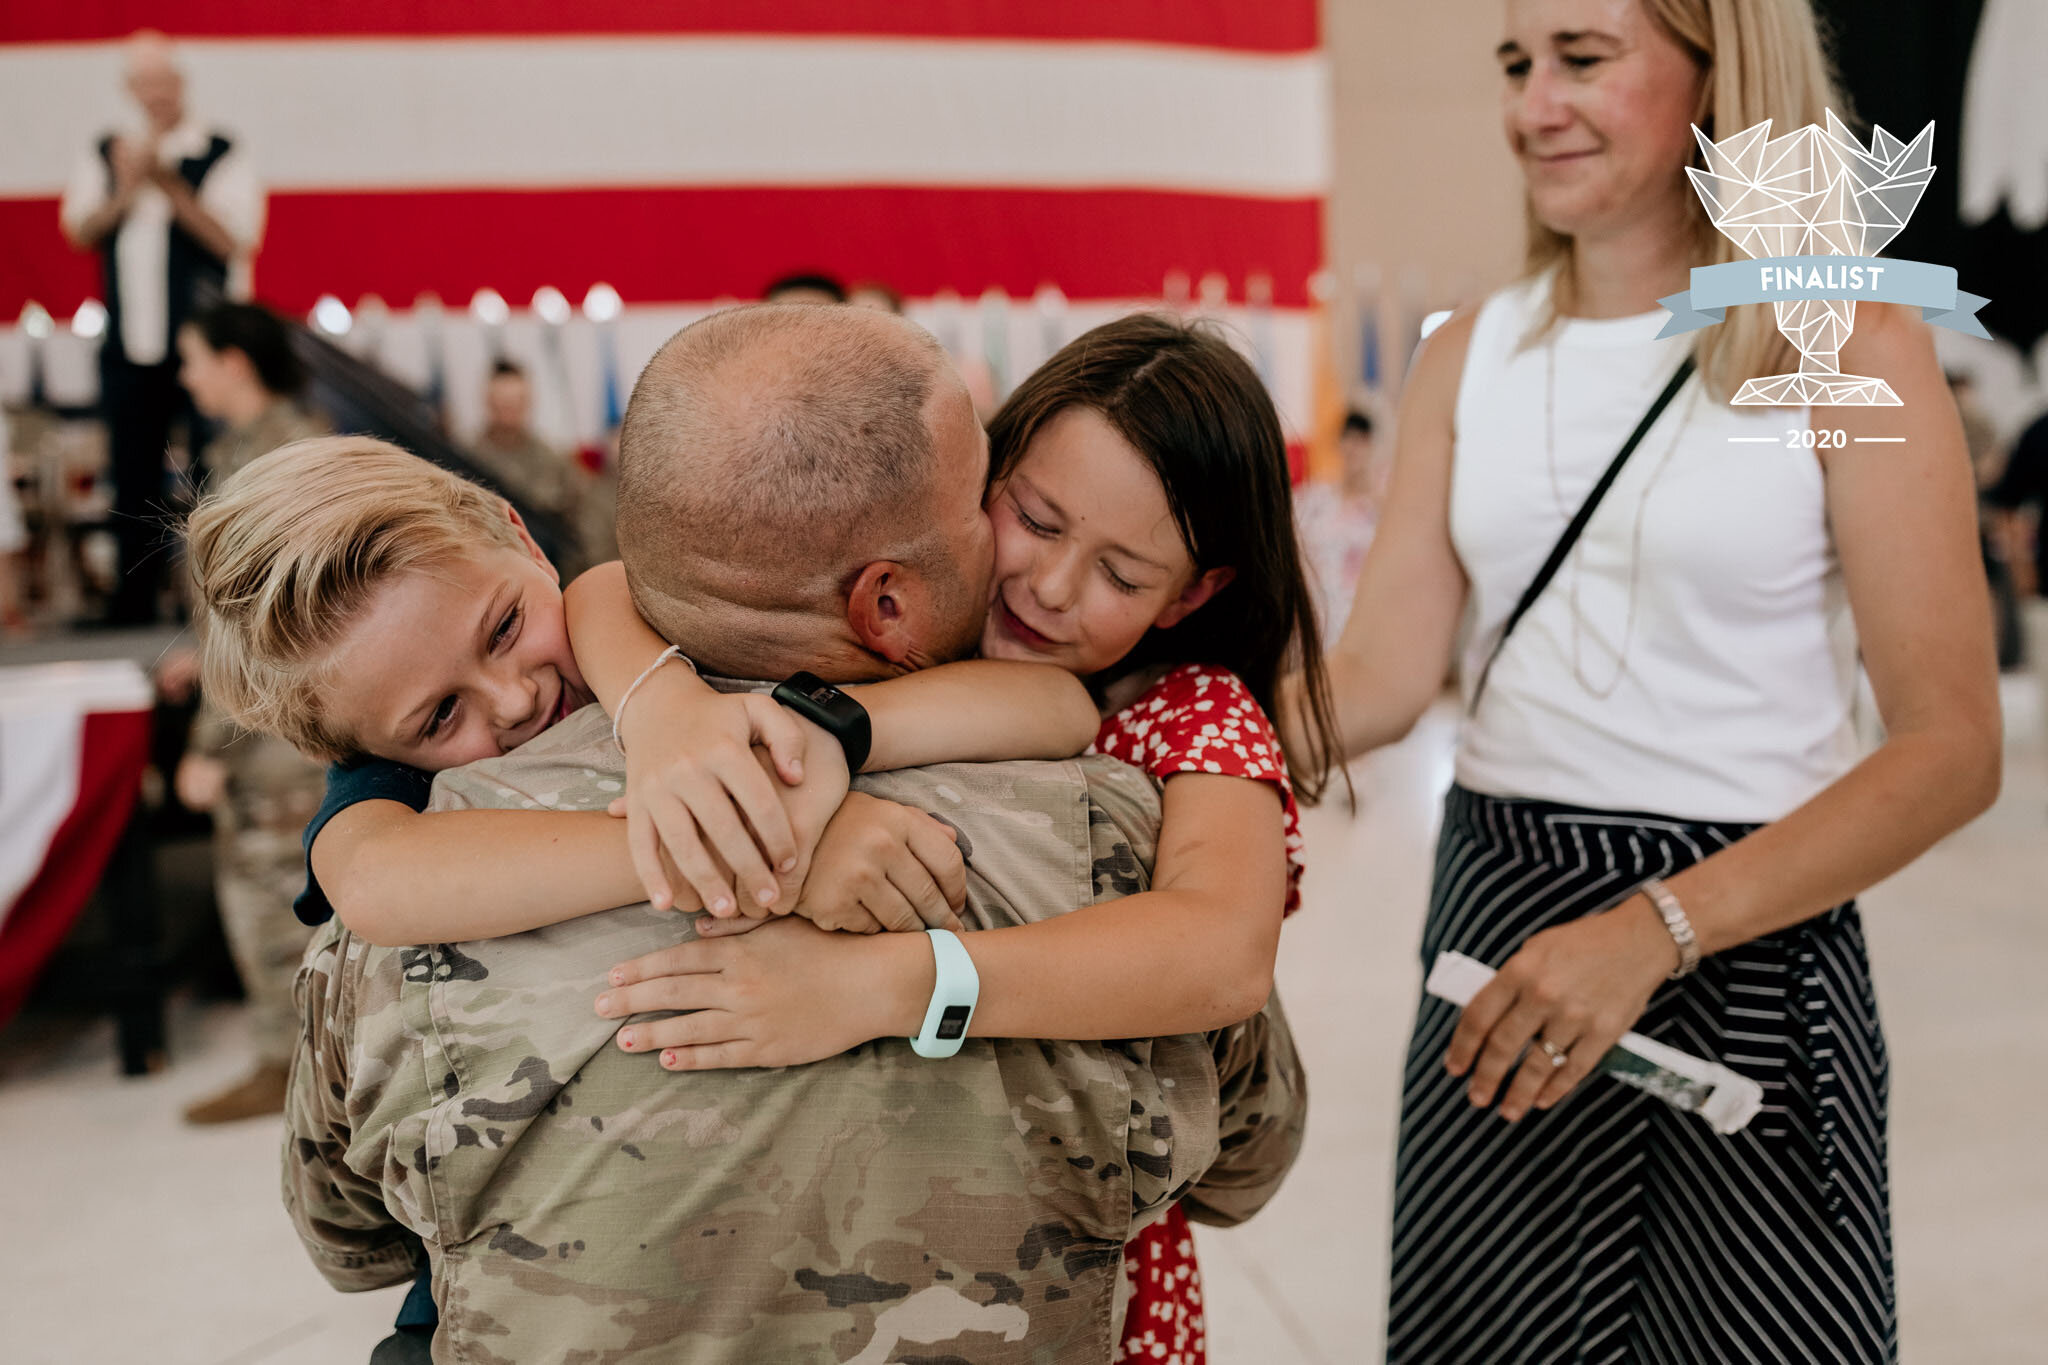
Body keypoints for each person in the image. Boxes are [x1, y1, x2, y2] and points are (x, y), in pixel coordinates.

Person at [186, 306, 1305, 1360]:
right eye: (1021, 513)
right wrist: (756, 834)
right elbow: (1246, 1150)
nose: (514, 704)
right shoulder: (1103, 821)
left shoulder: (1118, 734)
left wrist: (823, 848)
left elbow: (348, 1238)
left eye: (1118, 569)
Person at [1292, 2, 2000, 1361]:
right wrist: (1162, 729)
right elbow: (1381, 673)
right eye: (1514, 64)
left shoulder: (1847, 345)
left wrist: (1655, 928)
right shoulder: (1469, 351)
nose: (1531, 104)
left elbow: (1950, 745)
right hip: (1497, 928)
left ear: (1716, 73)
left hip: (1748, 934)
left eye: (1582, 58)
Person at [569, 311, 1347, 1364]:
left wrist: (882, 984)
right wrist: (664, 717)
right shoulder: (918, 618)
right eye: (1033, 517)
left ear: (1193, 594)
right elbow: (611, 585)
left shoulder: (1193, 712)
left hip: (1080, 1250)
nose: (1050, 587)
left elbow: (1217, 955)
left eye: (1122, 575)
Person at [171, 301, 329, 1123]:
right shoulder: (260, 445)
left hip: (269, 721)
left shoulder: (270, 457)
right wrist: (189, 654)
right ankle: (289, 1060)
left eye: (193, 358)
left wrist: (209, 741)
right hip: (267, 706)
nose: (186, 376)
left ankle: (299, 1070)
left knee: (275, 895)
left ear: (235, 360)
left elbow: (262, 620)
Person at [60, 31, 264, 623]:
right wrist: (130, 185)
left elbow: (234, 240)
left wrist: (167, 183)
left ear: (181, 85)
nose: (156, 96)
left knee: (214, 471)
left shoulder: (218, 149)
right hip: (130, 343)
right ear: (130, 92)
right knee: (132, 473)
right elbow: (80, 229)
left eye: (164, 84)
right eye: (144, 86)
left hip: (206, 346)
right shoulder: (108, 152)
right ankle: (135, 600)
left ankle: (217, 599)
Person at [468, 359, 589, 569]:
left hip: (546, 569)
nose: (509, 409)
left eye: (517, 401)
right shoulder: (466, 459)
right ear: (488, 401)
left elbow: (576, 526)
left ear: (529, 402)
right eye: (502, 402)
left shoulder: (553, 461)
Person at [1294, 407, 1386, 632]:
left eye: (1361, 442)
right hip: (1317, 618)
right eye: (1349, 440)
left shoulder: (1381, 510)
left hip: (1361, 619)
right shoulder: (1314, 500)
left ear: (1371, 447)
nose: (1354, 449)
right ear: (1340, 444)